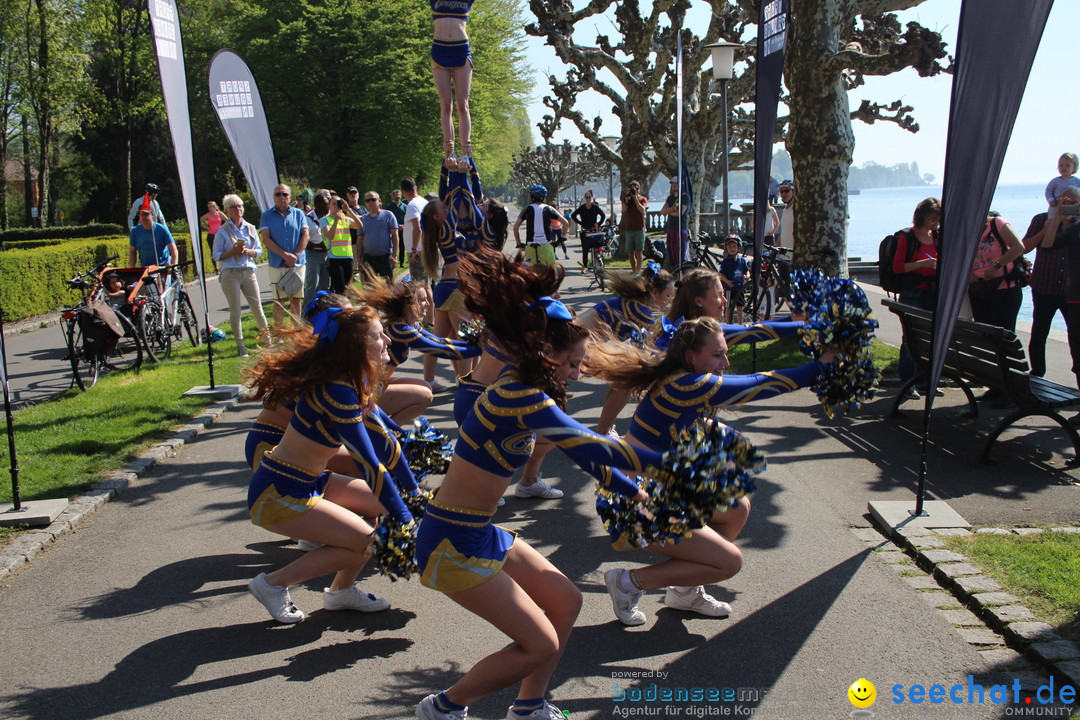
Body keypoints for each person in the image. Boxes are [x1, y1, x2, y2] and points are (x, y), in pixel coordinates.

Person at [413, 250, 659, 720]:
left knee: (565, 601)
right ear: (544, 353)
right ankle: (444, 707)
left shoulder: (525, 389)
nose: (576, 373)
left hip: (478, 532)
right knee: (538, 644)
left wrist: (636, 494)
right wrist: (683, 465)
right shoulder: (518, 395)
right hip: (451, 541)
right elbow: (594, 444)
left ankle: (528, 707)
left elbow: (586, 454)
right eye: (571, 364)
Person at [584, 316, 837, 626]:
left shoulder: (684, 368)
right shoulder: (684, 384)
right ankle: (627, 582)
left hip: (656, 490)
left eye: (724, 352)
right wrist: (820, 367)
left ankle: (684, 591)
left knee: (736, 508)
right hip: (632, 503)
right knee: (730, 562)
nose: (726, 361)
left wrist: (813, 325)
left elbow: (754, 331)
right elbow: (760, 383)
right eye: (718, 355)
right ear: (692, 356)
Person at [243, 305, 419, 623]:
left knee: (378, 505)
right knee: (369, 543)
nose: (388, 343)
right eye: (380, 336)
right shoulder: (338, 392)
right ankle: (272, 584)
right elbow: (369, 463)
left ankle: (340, 592)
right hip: (279, 493)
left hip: (309, 482)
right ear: (357, 347)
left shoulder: (352, 383)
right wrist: (408, 518)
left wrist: (415, 499)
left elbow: (392, 442)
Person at [577, 263, 676, 437]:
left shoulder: (634, 303)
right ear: (654, 292)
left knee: (624, 383)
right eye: (667, 295)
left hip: (579, 342)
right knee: (627, 382)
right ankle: (602, 432)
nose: (668, 301)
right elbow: (644, 350)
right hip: (576, 344)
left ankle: (603, 430)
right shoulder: (641, 311)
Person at [892, 198, 941, 398]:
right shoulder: (907, 237)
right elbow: (897, 267)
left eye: (938, 220)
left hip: (933, 292)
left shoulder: (937, 236)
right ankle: (907, 383)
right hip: (914, 293)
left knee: (930, 340)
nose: (935, 223)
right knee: (911, 340)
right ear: (922, 216)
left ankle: (924, 381)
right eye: (932, 219)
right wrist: (922, 264)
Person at [213, 194, 271, 357]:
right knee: (235, 310)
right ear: (227, 211)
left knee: (257, 307)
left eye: (240, 206)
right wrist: (233, 252)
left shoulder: (250, 227)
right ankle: (241, 346)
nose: (238, 209)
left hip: (248, 270)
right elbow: (216, 255)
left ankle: (268, 341)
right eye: (234, 207)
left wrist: (248, 252)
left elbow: (259, 251)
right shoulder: (222, 231)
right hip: (230, 272)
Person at [1039, 187, 1080, 398]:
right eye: (1068, 202)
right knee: (1078, 354)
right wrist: (1056, 219)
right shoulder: (1073, 231)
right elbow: (1047, 245)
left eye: (1074, 203)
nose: (1071, 206)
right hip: (1075, 300)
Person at [1021, 210, 1068, 378]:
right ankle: (1037, 373)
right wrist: (1047, 228)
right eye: (1063, 202)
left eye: (1073, 202)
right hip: (1044, 286)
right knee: (1039, 333)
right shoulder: (1041, 219)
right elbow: (1024, 248)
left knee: (1076, 335)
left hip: (1071, 290)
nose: (1067, 206)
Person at [259, 183, 309, 328]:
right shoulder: (266, 215)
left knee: (296, 299)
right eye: (278, 194)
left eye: (284, 194)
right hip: (277, 263)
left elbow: (305, 235)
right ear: (274, 197)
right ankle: (279, 334)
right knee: (279, 300)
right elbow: (266, 239)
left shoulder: (299, 214)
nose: (281, 197)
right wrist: (285, 255)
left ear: (290, 197)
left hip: (297, 263)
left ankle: (296, 332)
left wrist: (295, 255)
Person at [968, 211, 1026, 333]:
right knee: (985, 336)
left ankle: (1007, 353)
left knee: (1003, 335)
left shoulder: (996, 223)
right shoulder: (964, 231)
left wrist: (997, 266)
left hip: (1004, 288)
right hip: (979, 289)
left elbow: (1018, 247)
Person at [431, 0, 474, 162]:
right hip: (440, 48)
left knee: (462, 104)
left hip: (461, 48)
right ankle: (449, 150)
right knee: (446, 103)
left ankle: (466, 152)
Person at [512, 184, 567, 266]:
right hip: (546, 244)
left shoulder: (527, 209)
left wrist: (519, 244)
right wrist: (561, 239)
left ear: (532, 197)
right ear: (544, 197)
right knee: (551, 273)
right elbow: (566, 223)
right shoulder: (549, 208)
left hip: (530, 245)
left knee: (529, 274)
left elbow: (515, 228)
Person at [322, 194, 365, 294]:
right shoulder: (324, 220)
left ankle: (344, 307)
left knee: (347, 288)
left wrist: (349, 210)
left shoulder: (345, 218)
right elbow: (330, 236)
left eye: (338, 204)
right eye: (333, 204)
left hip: (347, 256)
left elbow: (360, 225)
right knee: (339, 288)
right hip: (334, 258)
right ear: (329, 205)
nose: (336, 206)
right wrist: (336, 220)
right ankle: (341, 308)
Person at [358, 191, 400, 282]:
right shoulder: (363, 219)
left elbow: (395, 236)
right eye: (367, 200)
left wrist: (394, 256)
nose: (370, 202)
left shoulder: (388, 215)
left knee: (387, 287)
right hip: (368, 258)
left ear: (379, 201)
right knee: (369, 288)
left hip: (385, 258)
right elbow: (359, 240)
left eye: (373, 199)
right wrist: (359, 260)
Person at [303, 190, 333, 309]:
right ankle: (306, 312)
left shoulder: (329, 217)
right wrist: (319, 245)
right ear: (317, 205)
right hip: (313, 253)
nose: (328, 207)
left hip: (327, 254)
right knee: (312, 283)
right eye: (325, 204)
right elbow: (304, 240)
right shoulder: (308, 219)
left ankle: (322, 310)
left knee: (325, 284)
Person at [570, 190, 606, 269]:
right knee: (585, 249)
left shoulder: (595, 207)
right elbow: (573, 215)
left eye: (589, 197)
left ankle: (597, 262)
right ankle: (585, 265)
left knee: (596, 246)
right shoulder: (582, 208)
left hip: (593, 229)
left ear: (592, 198)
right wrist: (580, 223)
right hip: (585, 230)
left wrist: (598, 224)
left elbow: (603, 215)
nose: (588, 199)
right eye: (586, 197)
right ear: (584, 198)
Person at [661, 178, 691, 272]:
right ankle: (675, 272)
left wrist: (669, 210)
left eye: (676, 183)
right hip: (671, 228)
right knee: (672, 253)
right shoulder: (670, 198)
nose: (674, 185)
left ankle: (684, 273)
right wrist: (674, 209)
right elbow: (662, 211)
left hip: (681, 229)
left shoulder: (685, 197)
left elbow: (680, 212)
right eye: (673, 183)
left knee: (682, 254)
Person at [718, 236, 749, 323]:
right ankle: (728, 323)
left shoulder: (742, 260)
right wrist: (727, 281)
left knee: (740, 307)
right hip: (729, 288)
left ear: (738, 247)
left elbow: (747, 271)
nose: (732, 249)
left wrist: (747, 276)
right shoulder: (725, 261)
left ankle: (740, 324)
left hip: (740, 288)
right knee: (728, 307)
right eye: (729, 247)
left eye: (734, 246)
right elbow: (721, 274)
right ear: (726, 248)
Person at [622, 180, 649, 274]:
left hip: (639, 229)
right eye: (632, 187)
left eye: (635, 187)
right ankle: (633, 270)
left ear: (639, 189)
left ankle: (638, 271)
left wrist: (635, 198)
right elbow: (624, 209)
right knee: (630, 252)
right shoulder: (627, 199)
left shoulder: (643, 199)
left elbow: (642, 210)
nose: (634, 189)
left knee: (639, 252)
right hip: (629, 229)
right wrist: (627, 198)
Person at [1045, 152, 1079, 219]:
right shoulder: (1055, 181)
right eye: (1061, 165)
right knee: (1051, 220)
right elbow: (1048, 191)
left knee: (1073, 221)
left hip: (1072, 207)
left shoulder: (1077, 182)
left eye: (1067, 165)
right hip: (1056, 206)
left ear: (1074, 167)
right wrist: (1051, 200)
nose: (1064, 168)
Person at [199, 201, 226, 273]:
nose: (210, 208)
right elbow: (200, 220)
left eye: (211, 206)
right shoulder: (208, 215)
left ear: (215, 207)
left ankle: (223, 265)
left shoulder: (220, 214)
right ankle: (216, 268)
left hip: (219, 235)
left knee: (222, 249)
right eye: (209, 207)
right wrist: (206, 227)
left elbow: (227, 220)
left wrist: (223, 228)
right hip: (211, 234)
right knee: (213, 251)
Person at [387, 189, 409, 267]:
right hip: (393, 229)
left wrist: (403, 225)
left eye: (398, 194)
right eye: (395, 194)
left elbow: (407, 217)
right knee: (392, 245)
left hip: (403, 229)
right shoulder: (390, 206)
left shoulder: (405, 206)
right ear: (393, 196)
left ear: (401, 195)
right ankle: (392, 260)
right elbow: (388, 218)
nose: (397, 195)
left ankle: (402, 262)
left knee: (402, 246)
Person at [777, 180, 795, 250]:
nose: (783, 194)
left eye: (787, 191)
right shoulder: (785, 210)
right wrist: (775, 247)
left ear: (793, 192)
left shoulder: (796, 210)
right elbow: (783, 232)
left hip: (793, 256)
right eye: (781, 191)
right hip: (784, 255)